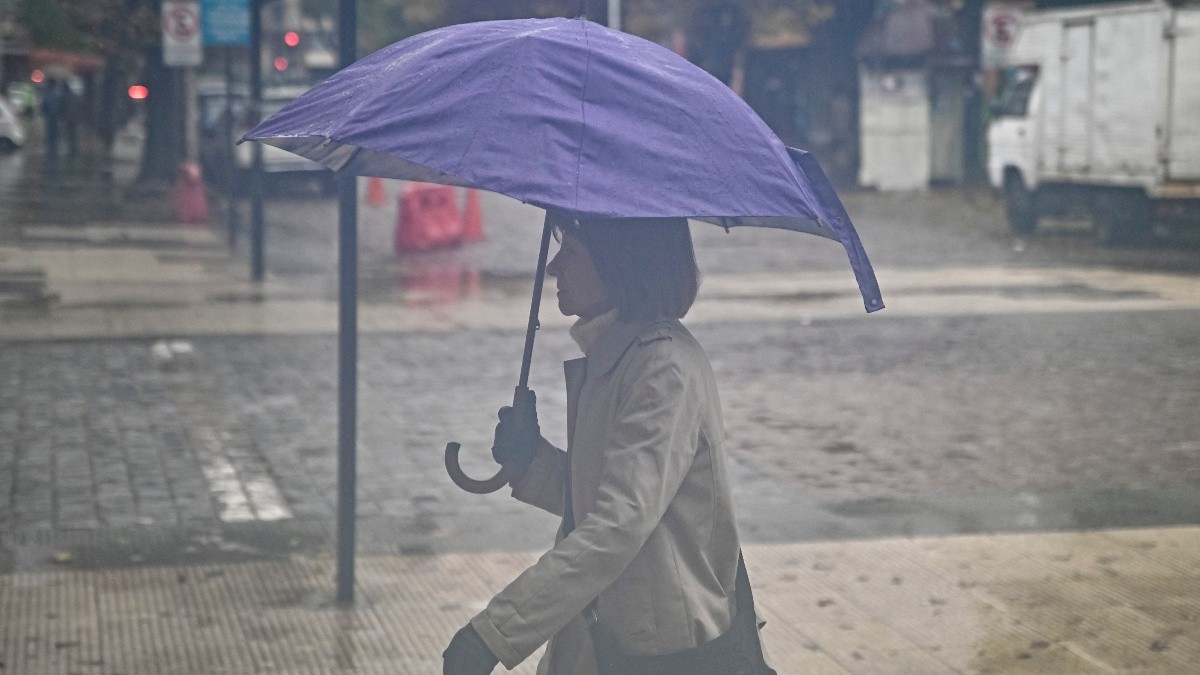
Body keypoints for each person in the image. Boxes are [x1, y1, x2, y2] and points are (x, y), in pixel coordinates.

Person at [443, 215, 773, 675]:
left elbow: (619, 525)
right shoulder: (619, 356)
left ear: (622, 263)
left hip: (662, 655)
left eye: (573, 252)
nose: (555, 266)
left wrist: (492, 636)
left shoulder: (662, 369)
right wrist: (532, 462)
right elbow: (614, 497)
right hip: (610, 643)